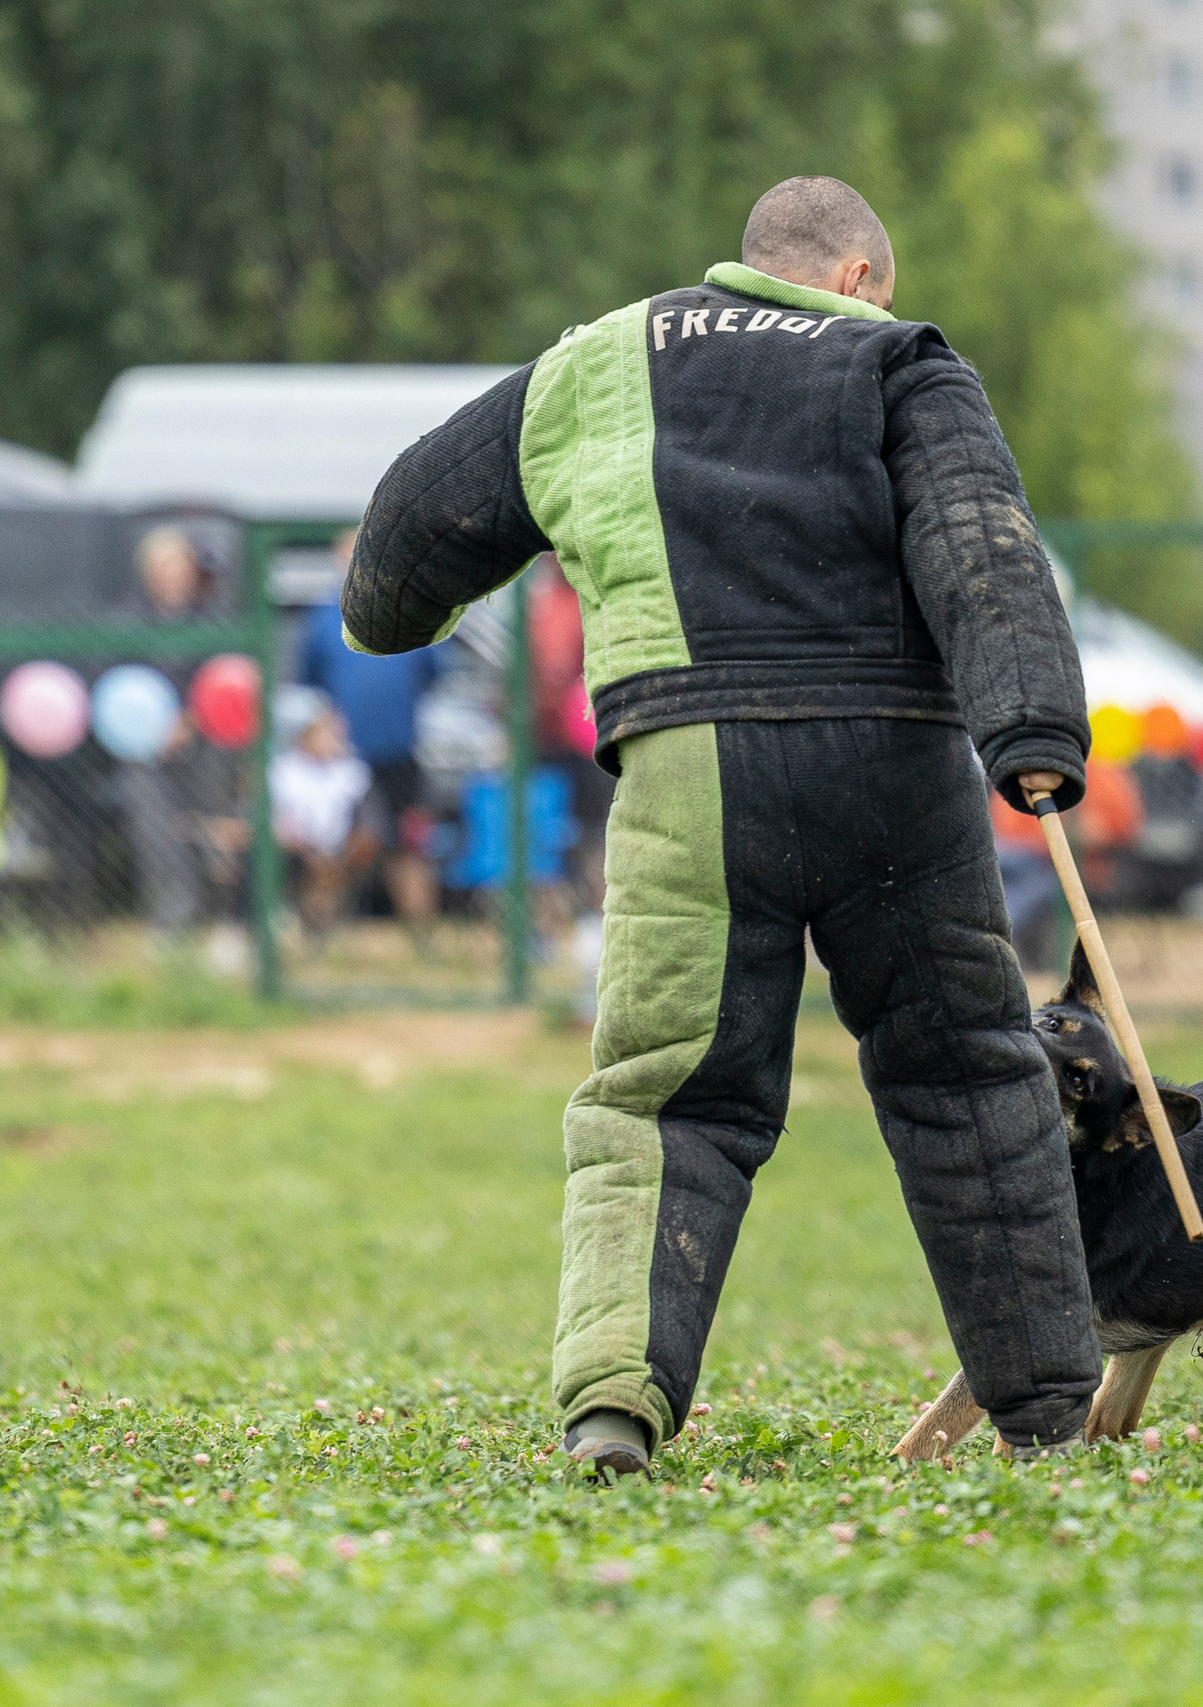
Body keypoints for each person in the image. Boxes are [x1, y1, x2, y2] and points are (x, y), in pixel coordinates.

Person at [341, 176, 1103, 1475]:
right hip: (896, 771)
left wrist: (383, 622)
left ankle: (612, 1407)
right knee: (968, 1071)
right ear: (858, 278)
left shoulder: (595, 364)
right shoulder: (901, 362)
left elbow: (408, 538)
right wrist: (1031, 731)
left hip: (689, 762)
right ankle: (1048, 1415)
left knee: (664, 1095)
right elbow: (983, 545)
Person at [300, 530, 444, 945]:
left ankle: (424, 939)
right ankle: (317, 935)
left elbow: (432, 676)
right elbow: (308, 687)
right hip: (342, 761)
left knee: (410, 847)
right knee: (336, 849)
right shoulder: (323, 619)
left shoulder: (408, 612)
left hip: (400, 754)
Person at [118, 526, 243, 939]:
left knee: (215, 828)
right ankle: (173, 916)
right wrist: (151, 730)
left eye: (178, 565)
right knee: (154, 828)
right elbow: (117, 686)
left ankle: (224, 918)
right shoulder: (130, 624)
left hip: (208, 747)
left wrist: (190, 720)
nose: (171, 574)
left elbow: (224, 682)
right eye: (162, 566)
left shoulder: (213, 623)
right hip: (145, 752)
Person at [990, 753, 1143, 971]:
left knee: (1027, 881)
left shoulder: (1103, 776)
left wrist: (1079, 834)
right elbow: (1005, 827)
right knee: (1001, 866)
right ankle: (997, 935)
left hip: (1073, 869)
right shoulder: (1021, 774)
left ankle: (1000, 934)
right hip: (1022, 860)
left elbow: (1122, 828)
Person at [268, 696, 376, 945]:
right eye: (325, 731)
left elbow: (368, 821)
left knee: (336, 863)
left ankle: (322, 928)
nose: (334, 738)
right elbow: (273, 818)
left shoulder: (353, 772)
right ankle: (299, 922)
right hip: (297, 849)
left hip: (341, 851)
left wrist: (346, 848)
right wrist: (299, 842)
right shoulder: (283, 770)